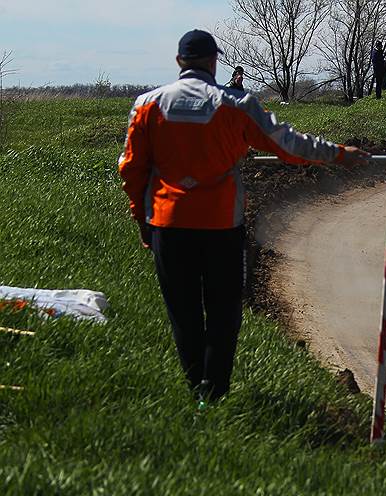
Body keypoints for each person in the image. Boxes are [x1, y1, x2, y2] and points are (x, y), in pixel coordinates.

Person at [118, 29, 368, 404]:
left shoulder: (147, 105)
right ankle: (214, 393)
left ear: (178, 62)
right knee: (224, 311)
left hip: (167, 225)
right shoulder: (236, 105)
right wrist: (338, 154)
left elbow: (132, 169)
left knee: (183, 312)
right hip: (220, 225)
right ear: (214, 61)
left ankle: (195, 390)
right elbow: (288, 144)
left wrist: (143, 219)